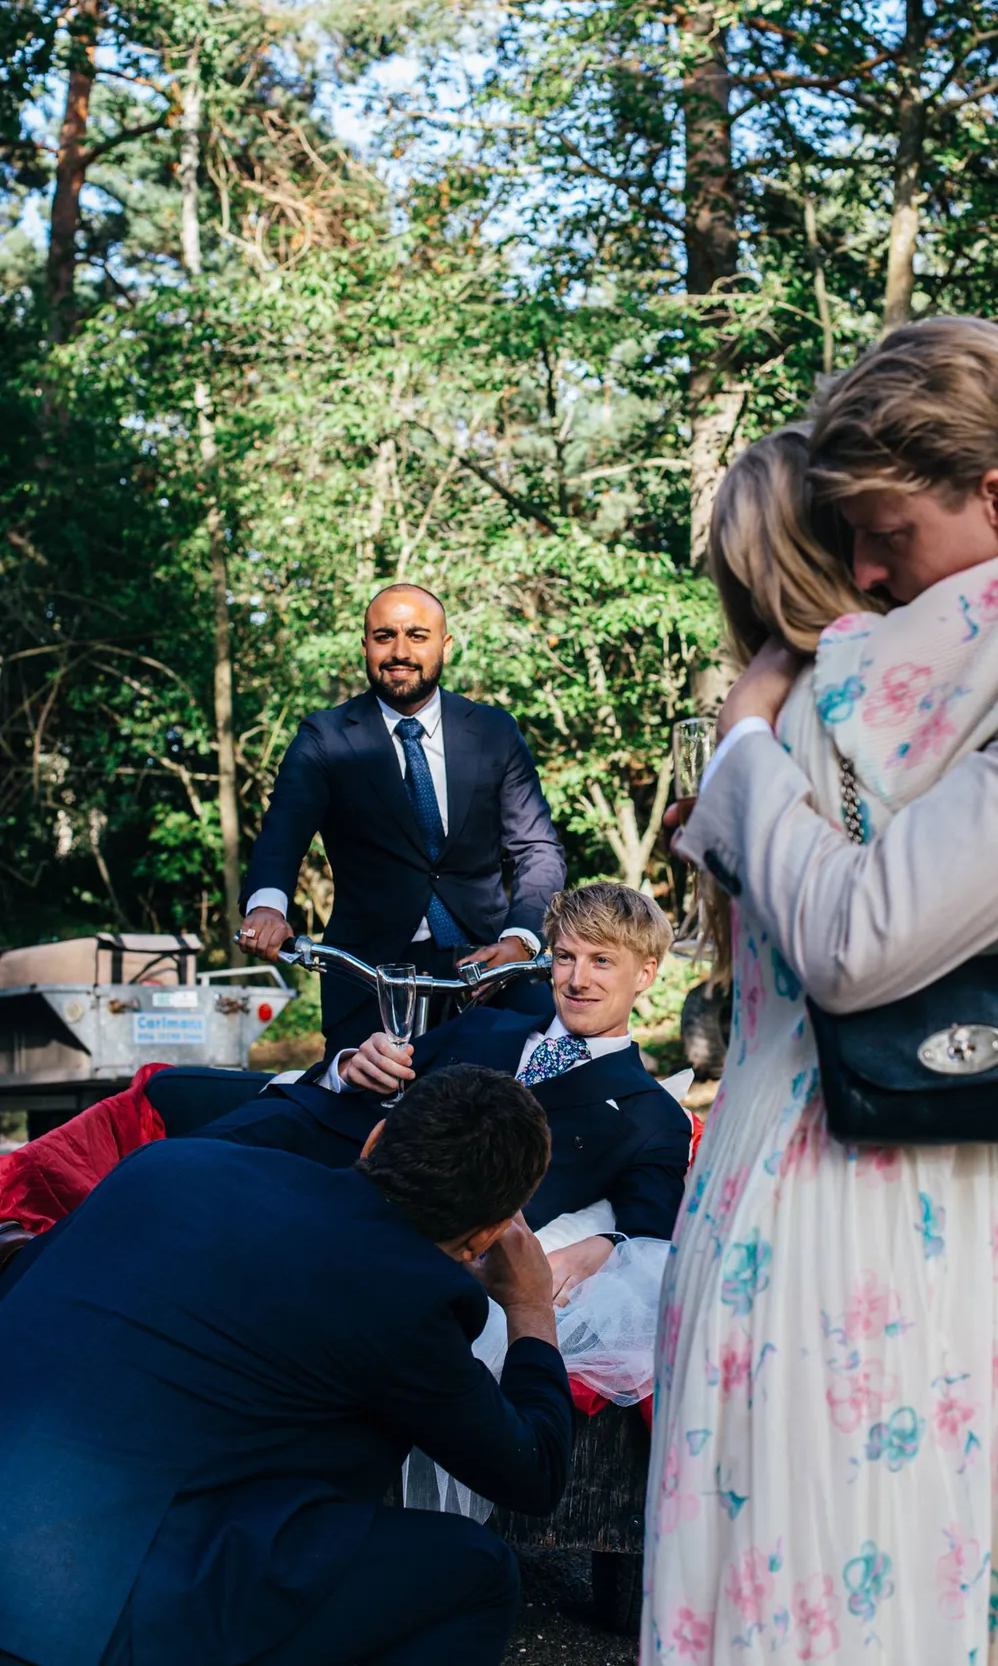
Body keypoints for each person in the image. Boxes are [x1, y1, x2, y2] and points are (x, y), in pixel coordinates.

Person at [645, 322, 998, 1666]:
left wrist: (742, 751)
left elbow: (861, 934)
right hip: (971, 1259)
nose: (875, 574)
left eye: (888, 531)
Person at [0, 1065, 573, 1666]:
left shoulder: (167, 1164)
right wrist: (531, 1306)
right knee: (477, 1575)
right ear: (484, 1238)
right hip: (68, 1617)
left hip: (49, 1499)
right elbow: (533, 1473)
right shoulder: (401, 1294)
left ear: (374, 1141)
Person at [183, 882, 693, 1305]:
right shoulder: (484, 1024)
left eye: (601, 961)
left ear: (645, 973)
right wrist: (351, 1064)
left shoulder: (652, 1115)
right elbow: (379, 1082)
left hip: (415, 1250)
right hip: (320, 1172)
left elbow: (649, 1231)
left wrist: (602, 1245)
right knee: (189, 1149)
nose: (577, 980)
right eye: (565, 957)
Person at [238, 582, 566, 1054]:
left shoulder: (495, 731)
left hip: (490, 968)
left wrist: (521, 940)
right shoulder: (325, 737)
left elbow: (537, 848)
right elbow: (282, 834)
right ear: (366, 646)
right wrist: (267, 907)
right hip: (369, 979)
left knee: (523, 1111)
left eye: (417, 635)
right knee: (367, 1115)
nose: (400, 651)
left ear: (445, 645)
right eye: (384, 635)